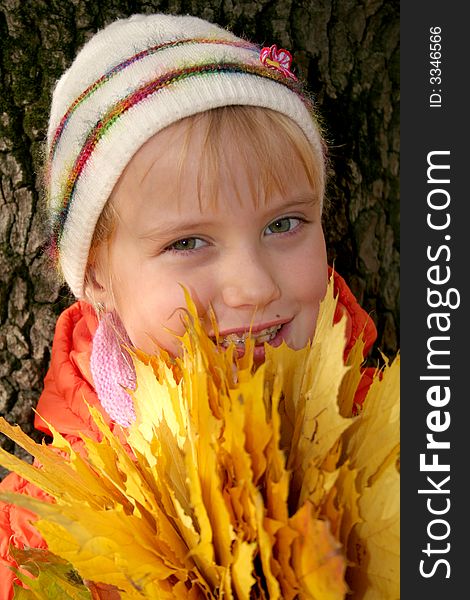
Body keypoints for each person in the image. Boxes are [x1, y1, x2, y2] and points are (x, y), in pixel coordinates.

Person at [0, 13, 377, 597]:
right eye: (187, 243)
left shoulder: (396, 437)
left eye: (284, 223)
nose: (253, 287)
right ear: (98, 276)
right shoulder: (45, 531)